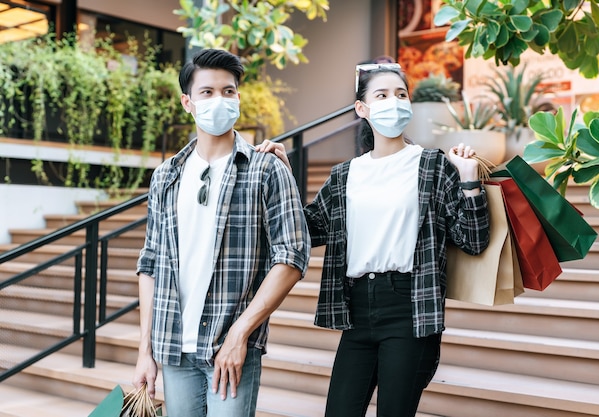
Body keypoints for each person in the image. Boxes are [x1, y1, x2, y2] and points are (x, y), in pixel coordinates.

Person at [257, 62, 490, 416]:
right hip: (358, 309)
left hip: (409, 306)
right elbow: (306, 229)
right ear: (361, 109)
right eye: (381, 95)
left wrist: (470, 180)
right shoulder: (345, 175)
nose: (393, 102)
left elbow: (473, 241)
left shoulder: (431, 166)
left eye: (400, 95)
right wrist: (285, 174)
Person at [133, 48, 311, 417]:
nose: (220, 100)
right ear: (188, 102)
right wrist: (144, 352)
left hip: (230, 346)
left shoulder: (266, 169)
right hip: (173, 348)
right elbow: (150, 264)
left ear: (238, 98)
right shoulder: (166, 176)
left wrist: (239, 334)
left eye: (228, 91)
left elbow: (292, 256)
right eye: (207, 92)